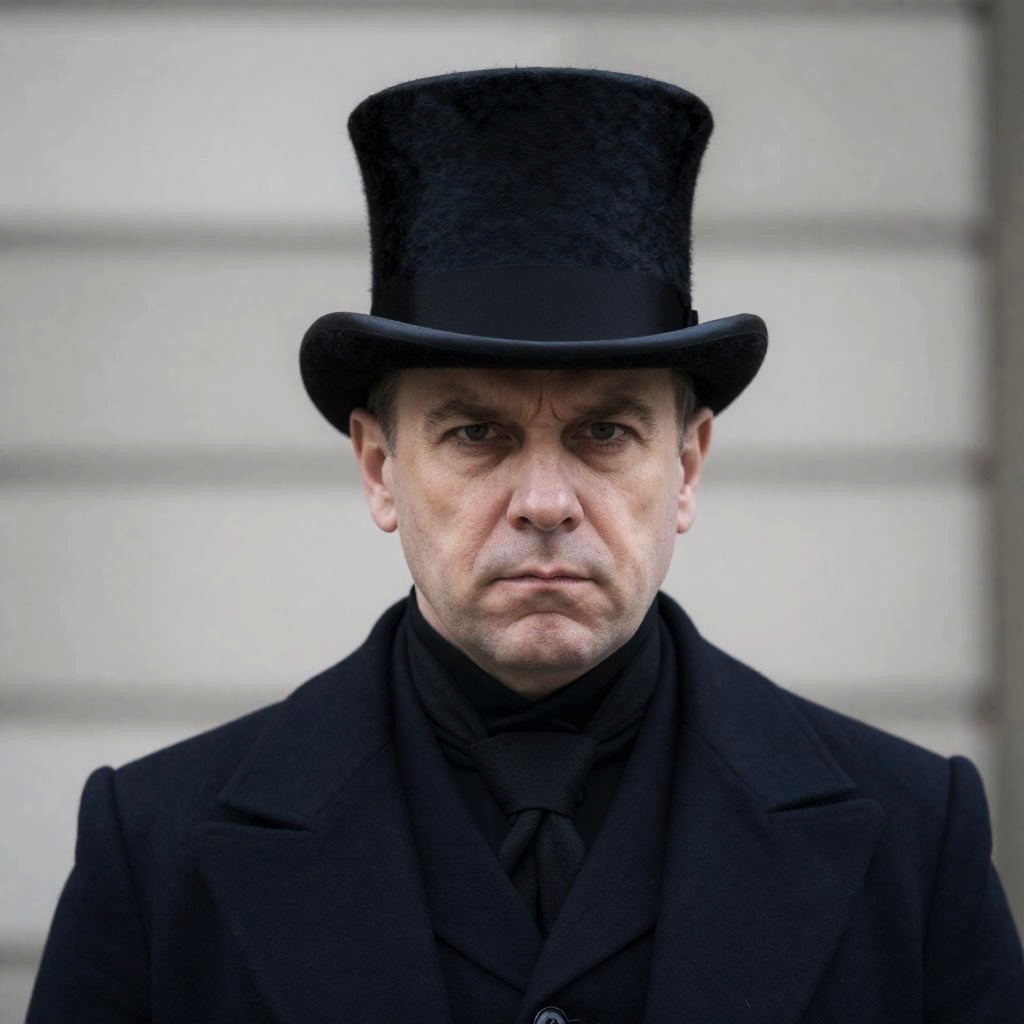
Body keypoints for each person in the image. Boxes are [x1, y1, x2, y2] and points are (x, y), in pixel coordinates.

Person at [27, 66, 1024, 1024]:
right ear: (378, 467)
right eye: (476, 433)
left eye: (605, 432)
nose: (545, 503)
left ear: (686, 465)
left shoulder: (914, 836)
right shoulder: (154, 851)